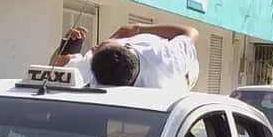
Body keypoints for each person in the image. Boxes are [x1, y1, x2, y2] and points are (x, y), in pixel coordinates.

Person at [50, 23, 199, 92]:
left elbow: (55, 69)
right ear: (127, 46)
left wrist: (69, 46)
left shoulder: (97, 70)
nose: (94, 47)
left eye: (96, 48)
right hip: (186, 75)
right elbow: (191, 32)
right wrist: (138, 28)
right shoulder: (165, 57)